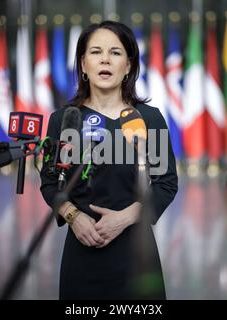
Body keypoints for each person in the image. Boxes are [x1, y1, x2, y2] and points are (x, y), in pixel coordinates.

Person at [39, 20, 178, 300]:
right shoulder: (64, 120)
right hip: (81, 250)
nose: (105, 59)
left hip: (136, 253)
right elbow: (50, 184)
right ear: (82, 64)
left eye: (115, 52)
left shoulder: (148, 119)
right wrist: (74, 217)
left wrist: (124, 218)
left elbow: (165, 184)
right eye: (96, 52)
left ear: (128, 66)